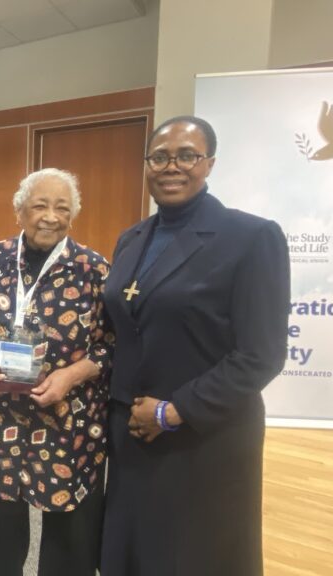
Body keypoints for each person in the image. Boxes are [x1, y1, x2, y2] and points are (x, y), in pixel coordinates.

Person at [100, 116, 290, 576]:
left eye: (187, 156)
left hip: (202, 436)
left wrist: (173, 411)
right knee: (135, 554)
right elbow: (123, 326)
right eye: (160, 157)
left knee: (191, 557)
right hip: (132, 434)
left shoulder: (251, 237)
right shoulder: (132, 238)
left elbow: (261, 354)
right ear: (147, 165)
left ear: (210, 164)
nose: (172, 166)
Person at [0, 168, 112, 576]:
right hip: (1, 419)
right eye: (40, 206)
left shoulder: (93, 268)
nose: (50, 216)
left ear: (73, 215)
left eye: (62, 208)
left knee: (69, 533)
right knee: (2, 529)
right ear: (20, 212)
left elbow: (111, 345)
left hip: (66, 419)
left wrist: (72, 375)